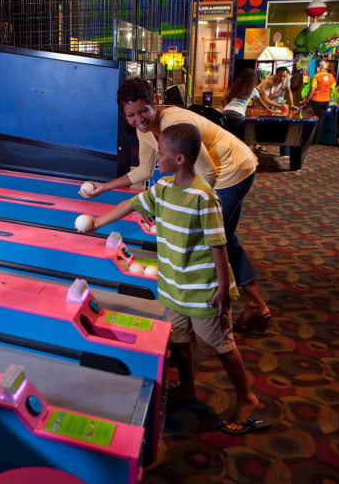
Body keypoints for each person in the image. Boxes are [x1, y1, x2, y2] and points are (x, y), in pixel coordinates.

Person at [76, 123, 269, 435]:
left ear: (180, 159)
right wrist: (97, 222)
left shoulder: (203, 196)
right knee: (178, 338)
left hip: (204, 288)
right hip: (173, 283)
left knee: (219, 344)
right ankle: (188, 387)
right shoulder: (163, 187)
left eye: (161, 152)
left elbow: (218, 246)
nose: (156, 157)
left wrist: (223, 288)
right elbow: (131, 204)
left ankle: (247, 397)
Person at [80, 78, 271, 334]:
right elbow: (144, 171)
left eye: (143, 111)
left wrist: (189, 208)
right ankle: (256, 307)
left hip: (232, 169)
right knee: (225, 239)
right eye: (131, 115)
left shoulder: (174, 122)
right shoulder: (144, 131)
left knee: (205, 242)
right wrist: (104, 187)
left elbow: (208, 172)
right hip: (221, 170)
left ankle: (210, 316)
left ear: (155, 102)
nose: (139, 120)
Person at [221, 69, 275, 140]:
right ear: (253, 79)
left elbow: (223, 99)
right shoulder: (253, 90)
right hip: (238, 114)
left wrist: (226, 109)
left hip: (225, 112)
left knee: (227, 138)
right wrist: (269, 109)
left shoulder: (235, 87)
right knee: (240, 139)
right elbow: (261, 103)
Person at [305, 60, 336, 145]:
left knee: (311, 120)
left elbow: (312, 89)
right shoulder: (331, 77)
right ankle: (316, 140)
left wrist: (307, 100)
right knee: (320, 120)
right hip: (325, 101)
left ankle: (309, 139)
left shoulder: (316, 76)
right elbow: (332, 89)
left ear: (319, 67)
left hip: (315, 100)